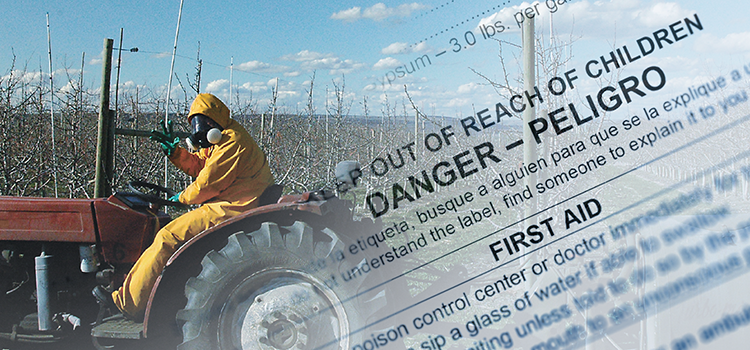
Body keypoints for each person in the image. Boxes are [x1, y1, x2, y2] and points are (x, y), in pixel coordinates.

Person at [93, 93, 274, 320]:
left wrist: (181, 197)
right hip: (229, 202)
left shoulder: (233, 142)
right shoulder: (223, 138)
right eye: (196, 122)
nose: (201, 128)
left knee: (167, 236)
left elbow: (208, 183)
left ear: (215, 119)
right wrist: (176, 153)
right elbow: (202, 165)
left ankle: (127, 303)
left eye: (204, 121)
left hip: (234, 207)